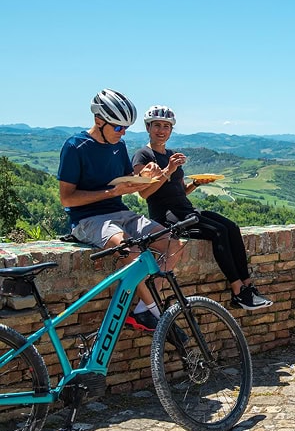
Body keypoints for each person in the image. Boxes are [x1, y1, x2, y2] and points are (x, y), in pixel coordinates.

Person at [57, 89, 183, 332]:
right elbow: (67, 198)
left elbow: (127, 180)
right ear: (98, 121)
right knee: (130, 250)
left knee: (173, 244)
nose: (123, 133)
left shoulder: (119, 145)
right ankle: (154, 310)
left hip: (120, 212)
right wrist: (111, 193)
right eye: (118, 128)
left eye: (125, 128)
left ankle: (143, 307)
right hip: (87, 218)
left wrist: (146, 177)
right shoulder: (75, 146)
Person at [131, 105, 273, 311]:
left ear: (171, 130)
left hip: (186, 210)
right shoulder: (143, 156)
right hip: (168, 217)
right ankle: (237, 291)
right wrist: (169, 169)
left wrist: (196, 184)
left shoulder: (171, 154)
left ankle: (248, 286)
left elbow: (179, 191)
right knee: (218, 232)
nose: (162, 130)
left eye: (166, 126)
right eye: (157, 126)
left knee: (231, 227)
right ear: (147, 127)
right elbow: (144, 193)